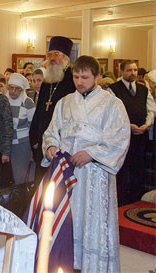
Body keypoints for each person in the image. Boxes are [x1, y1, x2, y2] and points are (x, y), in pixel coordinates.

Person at [43, 55, 130, 273]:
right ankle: (68, 264)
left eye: (85, 77)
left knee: (93, 221)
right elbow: (52, 131)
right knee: (69, 220)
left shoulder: (112, 104)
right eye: (75, 76)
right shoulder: (64, 103)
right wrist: (51, 146)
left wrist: (91, 154)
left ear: (97, 77)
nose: (79, 82)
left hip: (95, 175)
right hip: (68, 175)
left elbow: (120, 138)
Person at [108, 60, 155, 205]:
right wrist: (128, 126)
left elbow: (151, 109)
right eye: (129, 70)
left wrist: (147, 124)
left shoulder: (143, 89)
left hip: (141, 136)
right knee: (123, 170)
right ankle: (121, 201)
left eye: (135, 70)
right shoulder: (113, 89)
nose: (133, 73)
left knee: (138, 169)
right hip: (122, 136)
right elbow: (112, 114)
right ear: (122, 72)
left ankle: (136, 200)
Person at [29, 36, 75, 185]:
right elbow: (39, 111)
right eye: (50, 55)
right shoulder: (47, 80)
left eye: (56, 54)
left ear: (66, 58)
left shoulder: (72, 81)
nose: (52, 59)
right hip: (43, 142)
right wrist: (34, 137)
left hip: (61, 143)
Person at [6, 73, 35, 184]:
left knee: (19, 178)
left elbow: (32, 126)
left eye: (17, 89)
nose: (13, 91)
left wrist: (32, 149)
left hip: (22, 145)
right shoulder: (4, 100)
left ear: (22, 90)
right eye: (11, 88)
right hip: (7, 144)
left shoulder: (27, 102)